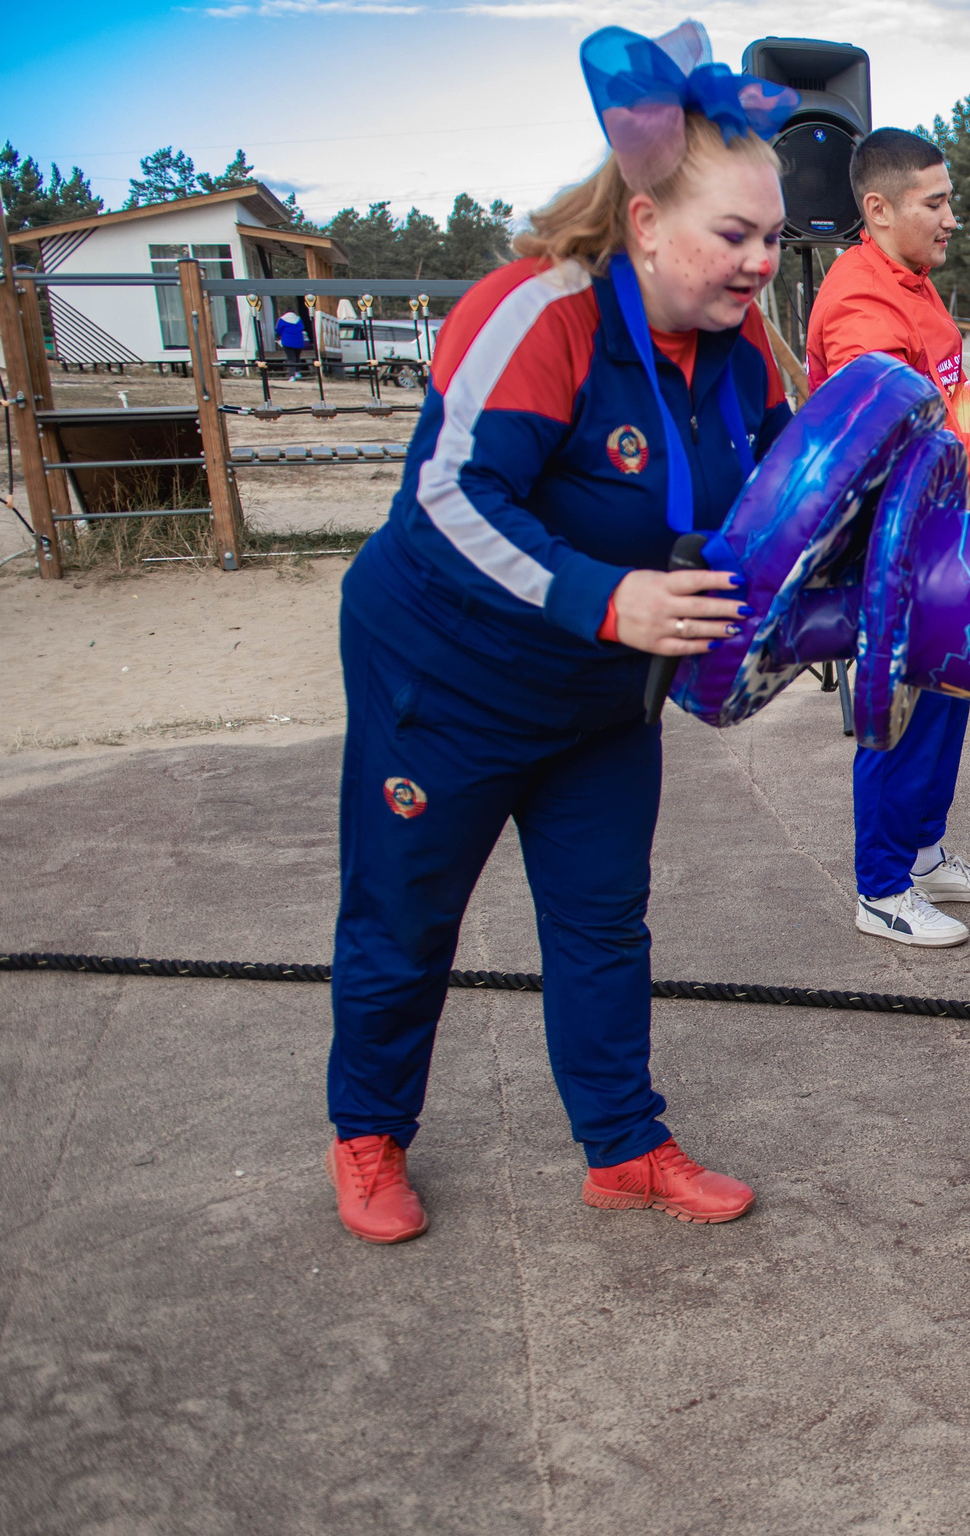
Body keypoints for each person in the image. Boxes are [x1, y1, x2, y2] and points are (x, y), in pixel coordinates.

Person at [321, 21, 796, 1243]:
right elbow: (441, 505)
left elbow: (787, 508)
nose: (760, 265)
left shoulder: (746, 355)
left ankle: (624, 1145)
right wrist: (612, 597)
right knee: (405, 916)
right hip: (447, 676)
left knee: (602, 919)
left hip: (596, 698)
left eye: (775, 239)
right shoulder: (541, 308)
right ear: (644, 221)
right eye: (733, 236)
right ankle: (368, 1133)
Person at [805, 127, 970, 949]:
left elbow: (956, 394)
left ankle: (923, 852)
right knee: (898, 708)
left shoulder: (915, 284)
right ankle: (882, 887)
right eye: (935, 203)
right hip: (888, 542)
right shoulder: (863, 301)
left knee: (947, 693)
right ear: (878, 208)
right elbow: (899, 439)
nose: (951, 218)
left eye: (949, 200)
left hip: (940, 534)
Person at [276, 304, 310, 377]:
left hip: (287, 341)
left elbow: (278, 330)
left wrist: (280, 336)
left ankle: (292, 375)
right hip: (299, 342)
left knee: (290, 358)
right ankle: (297, 372)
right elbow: (302, 328)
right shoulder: (298, 319)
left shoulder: (282, 319)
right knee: (297, 357)